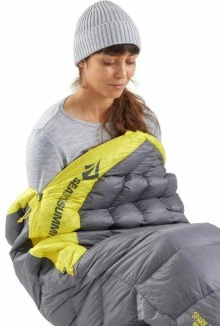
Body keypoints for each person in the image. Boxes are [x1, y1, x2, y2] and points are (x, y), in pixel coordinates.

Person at [26, 0, 162, 194]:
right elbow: (47, 211)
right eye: (109, 62)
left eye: (130, 61)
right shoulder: (50, 136)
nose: (122, 74)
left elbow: (156, 196)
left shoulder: (144, 119)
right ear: (82, 61)